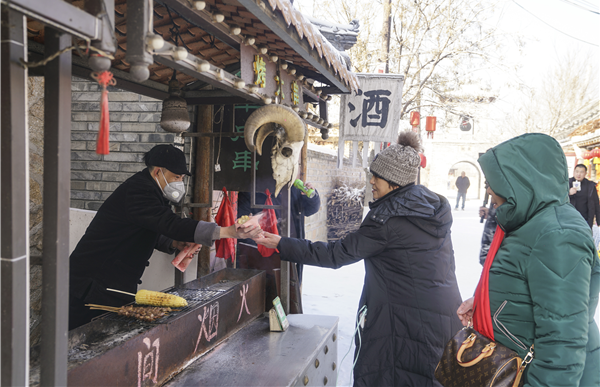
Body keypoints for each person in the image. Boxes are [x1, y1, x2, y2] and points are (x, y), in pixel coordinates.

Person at [254, 131, 463, 386]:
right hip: (441, 318)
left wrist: (282, 243)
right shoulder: (431, 210)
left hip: (403, 321)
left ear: (395, 182)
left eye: (377, 176)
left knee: (390, 375)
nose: (371, 181)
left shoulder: (387, 219)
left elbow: (336, 254)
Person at [456, 133, 599, 386]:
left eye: (493, 181)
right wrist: (483, 302)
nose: (488, 189)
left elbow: (562, 339)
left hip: (533, 375)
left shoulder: (557, 234)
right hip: (512, 367)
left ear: (521, 180)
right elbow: (524, 284)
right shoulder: (528, 221)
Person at [69, 144, 261, 330]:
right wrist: (227, 232)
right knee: (81, 339)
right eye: (176, 176)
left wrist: (174, 243)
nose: (179, 182)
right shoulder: (138, 191)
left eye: (181, 177)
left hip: (112, 284)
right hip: (92, 284)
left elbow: (147, 228)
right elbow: (170, 223)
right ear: (158, 172)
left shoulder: (153, 191)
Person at [237, 176, 321, 314]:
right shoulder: (253, 188)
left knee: (291, 288)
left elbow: (311, 209)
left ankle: (289, 318)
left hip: (292, 247)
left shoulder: (293, 186)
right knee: (265, 292)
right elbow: (242, 221)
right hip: (263, 251)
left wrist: (312, 195)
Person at [568, 163, 600, 229]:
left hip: (585, 219)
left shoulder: (590, 186)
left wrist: (598, 220)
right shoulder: (567, 183)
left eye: (581, 172)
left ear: (585, 173)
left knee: (584, 238)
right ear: (574, 172)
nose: (578, 174)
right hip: (569, 218)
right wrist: (568, 193)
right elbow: (558, 197)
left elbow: (596, 203)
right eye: (577, 171)